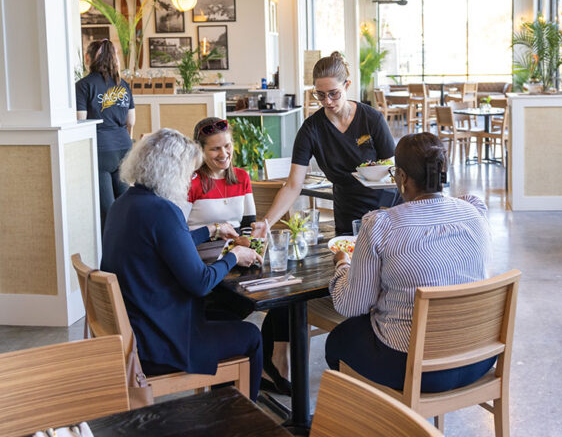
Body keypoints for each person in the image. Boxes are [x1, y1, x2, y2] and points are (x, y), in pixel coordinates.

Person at [324, 132, 496, 391]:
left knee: (338, 340)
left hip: (416, 368)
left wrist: (342, 265)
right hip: (480, 357)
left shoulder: (381, 225)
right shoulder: (475, 214)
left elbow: (353, 304)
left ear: (402, 178)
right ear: (442, 172)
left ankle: (381, 420)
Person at [101, 128, 263, 402]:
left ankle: (222, 410)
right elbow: (200, 283)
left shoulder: (125, 203)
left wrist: (209, 230)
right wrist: (234, 256)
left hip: (139, 328)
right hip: (160, 342)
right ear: (170, 171)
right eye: (188, 172)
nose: (190, 179)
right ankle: (240, 422)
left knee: (228, 314)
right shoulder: (163, 211)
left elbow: (165, 241)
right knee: (250, 335)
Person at [180, 116, 291, 395]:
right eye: (215, 149)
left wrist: (252, 237)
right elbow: (179, 238)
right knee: (240, 305)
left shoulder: (241, 177)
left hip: (237, 263)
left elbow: (248, 224)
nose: (224, 154)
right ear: (200, 151)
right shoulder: (191, 183)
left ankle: (269, 366)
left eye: (227, 146)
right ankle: (230, 380)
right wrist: (215, 231)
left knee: (286, 295)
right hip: (205, 271)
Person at [252, 51, 398, 236]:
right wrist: (267, 222)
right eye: (320, 95)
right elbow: (292, 185)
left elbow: (393, 169)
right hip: (348, 210)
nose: (327, 102)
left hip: (385, 207)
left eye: (334, 94)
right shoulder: (311, 129)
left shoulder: (372, 119)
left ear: (347, 86)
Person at [76, 39, 135, 230]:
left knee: (108, 208)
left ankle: (110, 251)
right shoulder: (123, 84)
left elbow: (81, 120)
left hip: (100, 150)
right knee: (126, 202)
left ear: (88, 58)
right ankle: (132, 245)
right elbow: (131, 121)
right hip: (124, 147)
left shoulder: (84, 85)